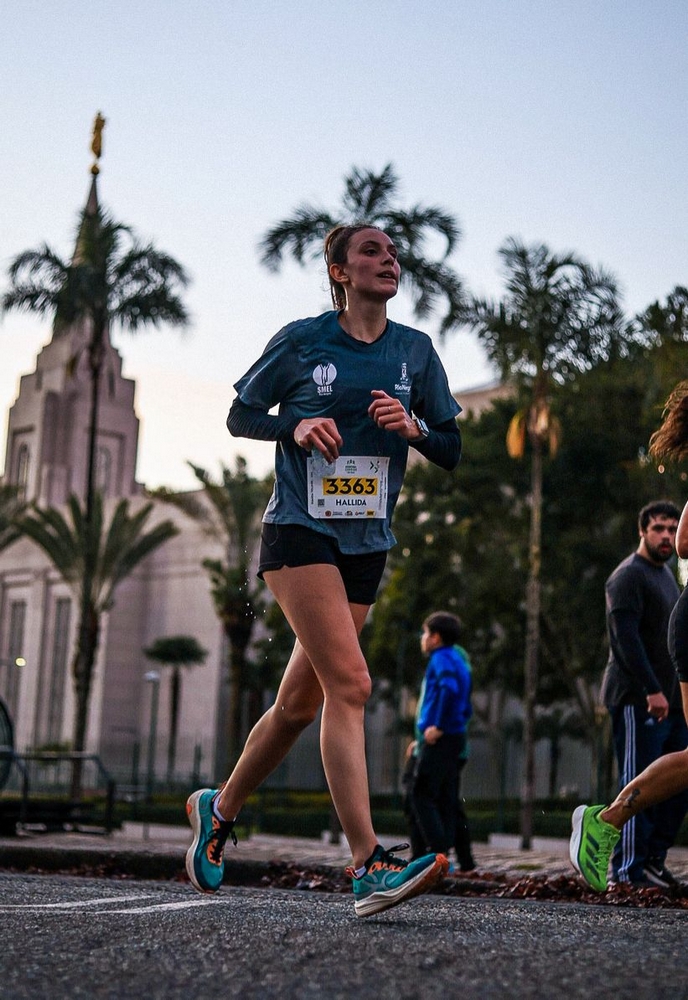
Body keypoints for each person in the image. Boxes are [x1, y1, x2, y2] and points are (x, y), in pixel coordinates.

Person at [185, 224, 463, 918]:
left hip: (367, 543)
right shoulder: (304, 341)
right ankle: (368, 864)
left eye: (393, 253)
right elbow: (240, 414)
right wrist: (295, 426)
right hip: (299, 531)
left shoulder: (415, 352)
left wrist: (415, 429)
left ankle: (219, 809)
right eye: (371, 251)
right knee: (353, 684)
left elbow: (452, 446)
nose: (388, 260)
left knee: (297, 707)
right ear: (339, 270)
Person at [571, 380, 688, 892]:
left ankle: (638, 851)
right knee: (658, 763)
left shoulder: (663, 577)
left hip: (674, 676)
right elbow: (624, 640)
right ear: (643, 531)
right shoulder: (628, 576)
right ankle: (621, 852)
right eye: (656, 528)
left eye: (667, 527)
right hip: (641, 691)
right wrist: (652, 690)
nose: (664, 535)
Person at [404, 612, 474, 869]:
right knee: (446, 799)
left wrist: (438, 727)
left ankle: (437, 855)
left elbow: (449, 689)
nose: (422, 638)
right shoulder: (457, 658)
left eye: (425, 633)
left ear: (436, 637)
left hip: (442, 738)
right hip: (452, 737)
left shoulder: (441, 658)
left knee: (420, 793)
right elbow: (464, 701)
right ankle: (450, 859)